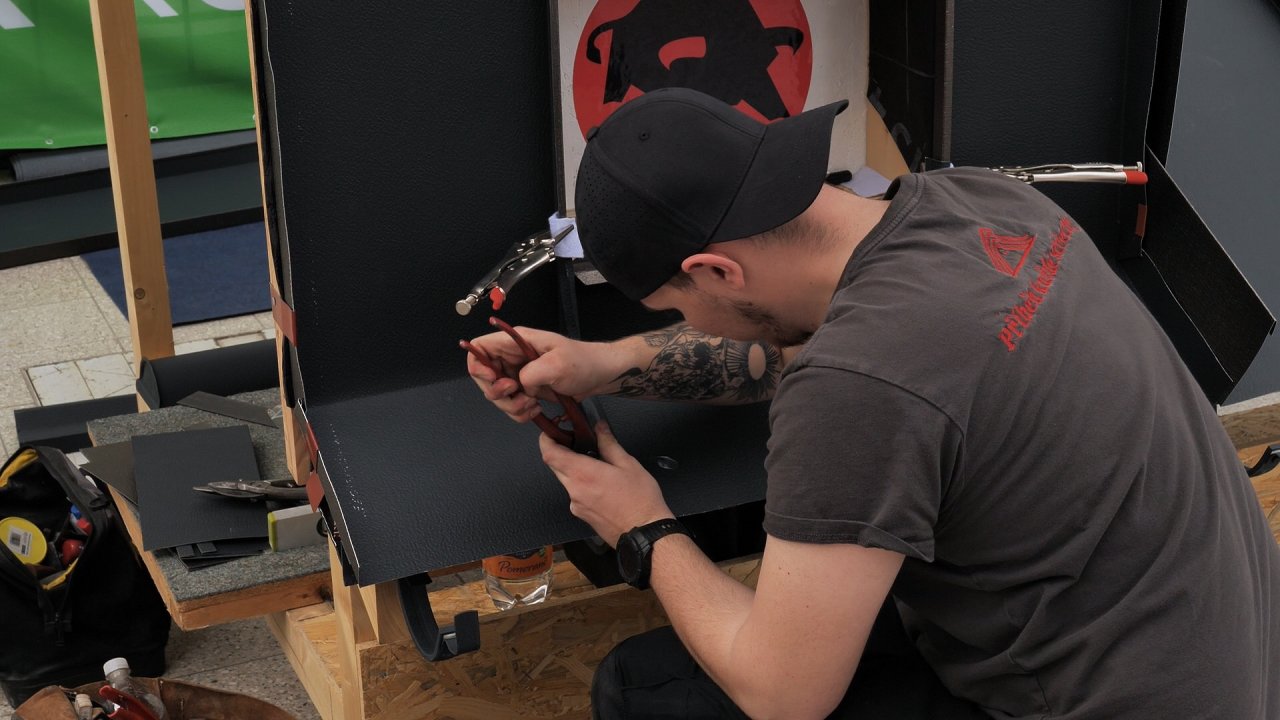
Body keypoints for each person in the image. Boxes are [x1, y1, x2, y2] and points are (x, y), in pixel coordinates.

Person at [464, 87, 1279, 719]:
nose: (690, 322)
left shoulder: (856, 390)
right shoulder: (981, 204)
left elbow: (783, 696)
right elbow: (855, 360)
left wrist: (641, 527)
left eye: (677, 306)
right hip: (1227, 669)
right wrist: (603, 364)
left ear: (716, 270)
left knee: (645, 691)